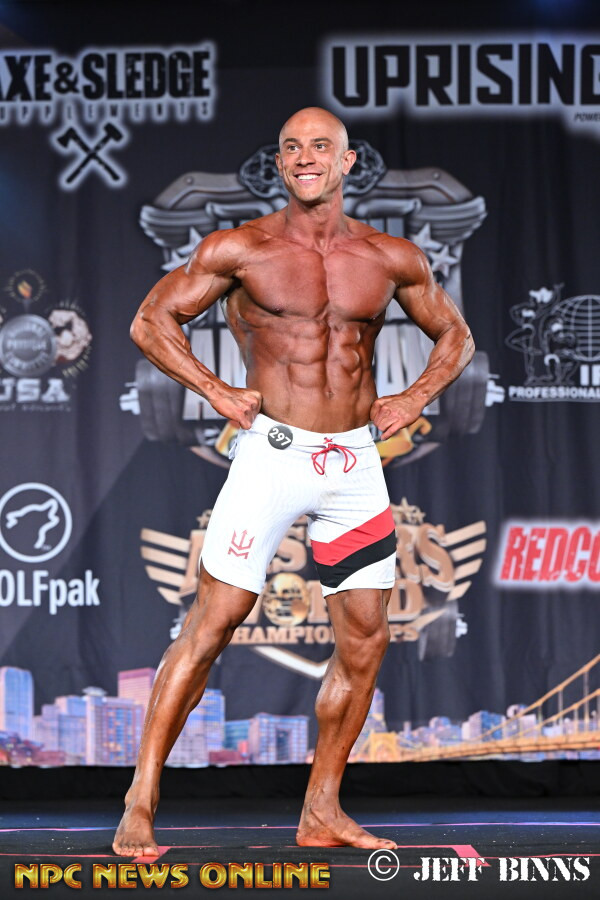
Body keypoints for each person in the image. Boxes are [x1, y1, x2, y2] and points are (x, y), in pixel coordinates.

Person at [113, 107, 474, 855]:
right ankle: (140, 800)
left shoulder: (390, 257)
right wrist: (216, 391)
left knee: (366, 641)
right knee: (212, 624)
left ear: (346, 161)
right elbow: (151, 322)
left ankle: (321, 809)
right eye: (291, 148)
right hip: (272, 457)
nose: (305, 157)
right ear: (279, 165)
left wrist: (413, 397)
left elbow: (456, 335)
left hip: (354, 465)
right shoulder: (241, 248)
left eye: (320, 146)